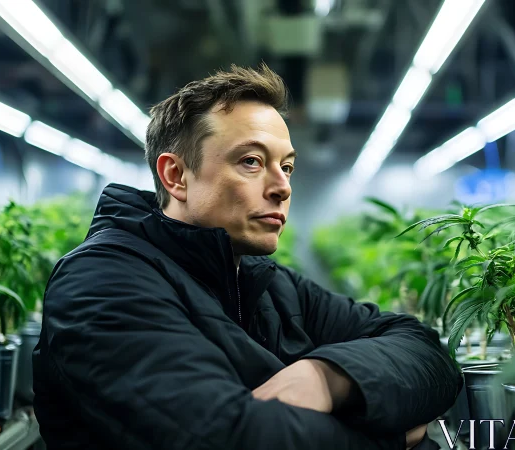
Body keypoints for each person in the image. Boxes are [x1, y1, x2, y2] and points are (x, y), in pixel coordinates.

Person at [32, 63, 463, 450]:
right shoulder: (101, 282)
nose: (283, 187)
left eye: (288, 166)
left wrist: (326, 378)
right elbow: (230, 437)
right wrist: (392, 436)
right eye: (253, 161)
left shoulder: (269, 285)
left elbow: (428, 353)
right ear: (177, 175)